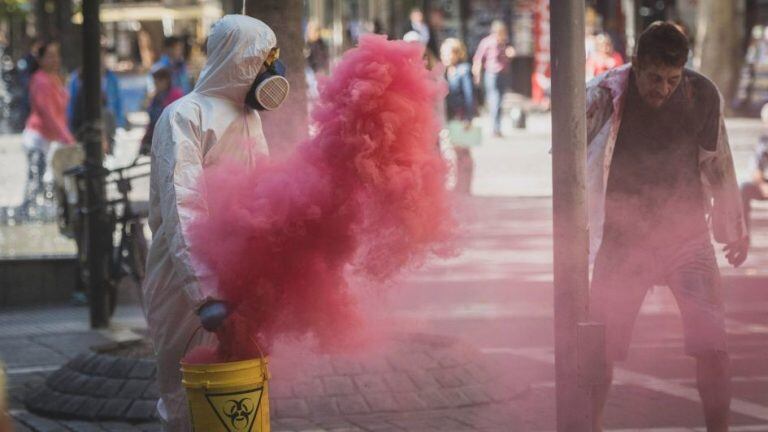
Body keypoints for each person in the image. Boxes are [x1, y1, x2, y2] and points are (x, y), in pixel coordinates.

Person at [586, 22, 749, 432]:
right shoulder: (604, 94)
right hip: (622, 240)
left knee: (713, 347)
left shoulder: (702, 94)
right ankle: (590, 425)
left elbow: (718, 160)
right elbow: (570, 164)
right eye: (655, 78)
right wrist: (571, 234)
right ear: (637, 65)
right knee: (599, 346)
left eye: (672, 79)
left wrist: (733, 228)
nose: (663, 88)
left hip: (686, 236)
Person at [143, 15, 288, 430]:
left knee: (239, 392)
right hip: (183, 283)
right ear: (240, 58)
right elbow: (183, 208)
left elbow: (261, 195)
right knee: (186, 395)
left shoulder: (249, 117)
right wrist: (204, 293)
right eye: (266, 58)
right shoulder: (182, 116)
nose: (272, 70)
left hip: (237, 274)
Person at [20, 42, 75, 216]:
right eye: (50, 56)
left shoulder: (55, 78)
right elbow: (48, 114)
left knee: (47, 181)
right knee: (37, 181)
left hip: (50, 139)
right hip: (38, 138)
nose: (55, 59)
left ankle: (42, 214)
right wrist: (67, 137)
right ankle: (27, 215)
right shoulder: (41, 80)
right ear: (41, 59)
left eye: (56, 55)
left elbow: (60, 113)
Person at [67, 49, 125, 154]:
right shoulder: (77, 79)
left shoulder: (111, 78)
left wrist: (119, 124)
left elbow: (117, 103)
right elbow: (72, 106)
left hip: (106, 129)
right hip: (87, 131)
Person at [441, 38, 476, 194]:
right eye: (443, 54)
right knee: (454, 152)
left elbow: (469, 96)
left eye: (448, 54)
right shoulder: (447, 71)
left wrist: (469, 118)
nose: (445, 57)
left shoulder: (464, 70)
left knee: (464, 153)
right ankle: (458, 184)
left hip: (461, 116)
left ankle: (465, 186)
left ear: (456, 54)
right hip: (451, 117)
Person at [472, 20, 516, 137]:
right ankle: (495, 128)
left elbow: (505, 57)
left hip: (503, 73)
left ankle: (497, 128)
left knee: (500, 101)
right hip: (492, 74)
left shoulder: (504, 42)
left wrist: (509, 54)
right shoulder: (487, 42)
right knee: (494, 100)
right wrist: (477, 74)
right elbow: (478, 58)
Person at [740, 103, 768, 238]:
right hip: (765, 184)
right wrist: (762, 184)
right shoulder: (763, 142)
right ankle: (743, 236)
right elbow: (755, 167)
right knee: (744, 188)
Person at [140, 67, 182, 155]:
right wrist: (145, 140)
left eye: (157, 82)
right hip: (158, 139)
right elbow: (152, 121)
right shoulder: (156, 97)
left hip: (172, 140)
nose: (156, 85)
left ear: (166, 81)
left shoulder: (176, 96)